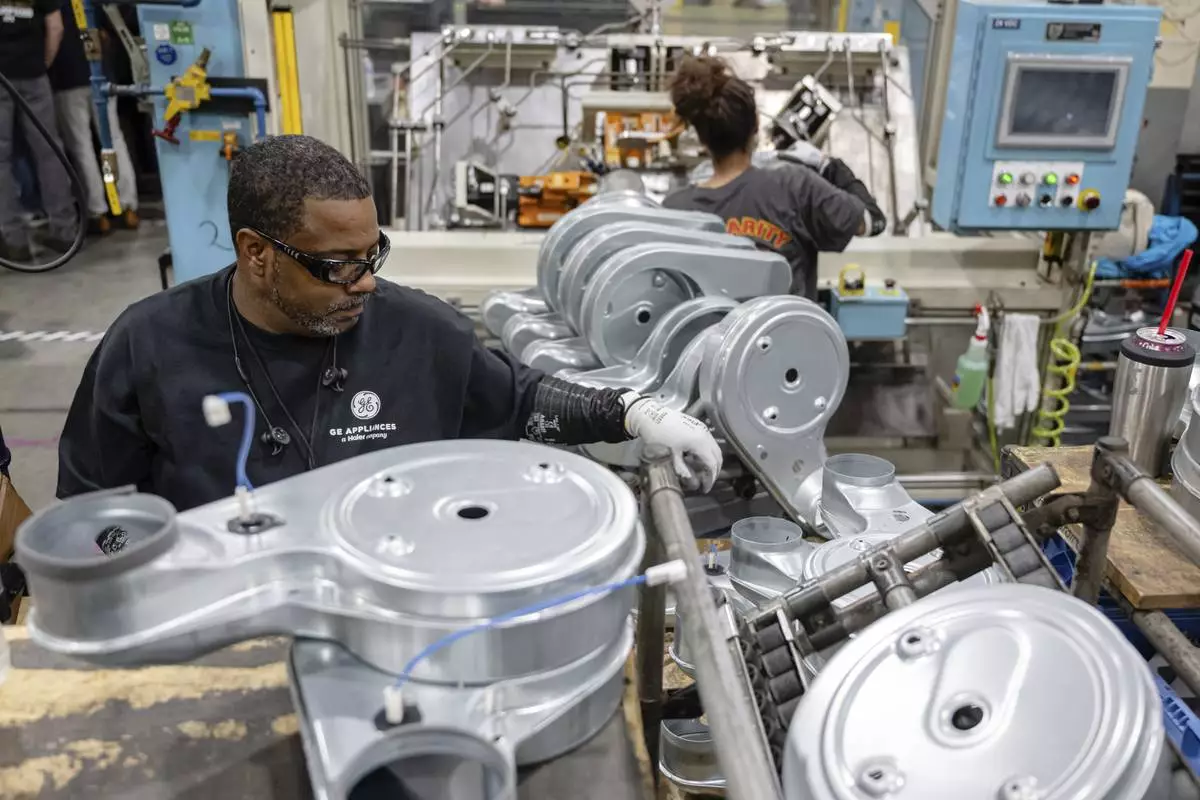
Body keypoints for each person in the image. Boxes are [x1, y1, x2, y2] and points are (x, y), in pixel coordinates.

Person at [58, 135, 722, 512]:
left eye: (372, 255)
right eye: (338, 265)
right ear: (256, 254)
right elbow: (93, 515)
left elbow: (521, 400)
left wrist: (630, 412)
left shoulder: (418, 333)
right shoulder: (147, 345)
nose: (366, 282)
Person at [663, 56, 881, 300]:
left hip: (710, 327)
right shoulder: (794, 186)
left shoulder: (674, 211)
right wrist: (828, 166)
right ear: (756, 124)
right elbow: (872, 221)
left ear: (701, 138)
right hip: (784, 326)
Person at [48, 0, 139, 235]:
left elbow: (53, 29)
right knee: (112, 141)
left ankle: (98, 212)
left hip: (68, 76)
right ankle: (126, 205)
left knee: (82, 147)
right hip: (101, 74)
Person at [0, 0, 77, 261]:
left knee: (1, 159)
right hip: (34, 74)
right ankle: (65, 231)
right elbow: (56, 27)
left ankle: (14, 240)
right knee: (50, 153)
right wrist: (43, 64)